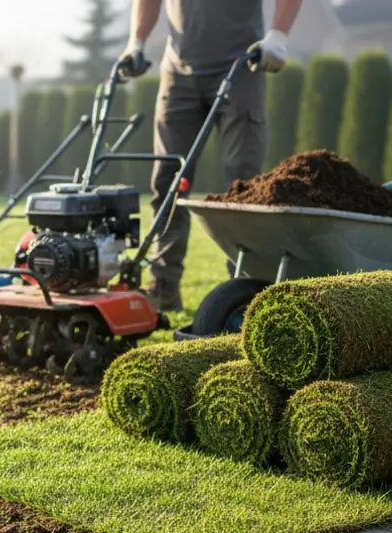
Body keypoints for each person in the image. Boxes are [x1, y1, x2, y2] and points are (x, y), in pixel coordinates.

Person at [119, 0, 302, 312]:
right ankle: (163, 287)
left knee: (242, 185)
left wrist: (278, 35)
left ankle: (243, 292)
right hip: (178, 71)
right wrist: (136, 41)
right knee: (168, 181)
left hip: (242, 66)